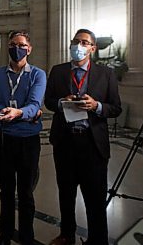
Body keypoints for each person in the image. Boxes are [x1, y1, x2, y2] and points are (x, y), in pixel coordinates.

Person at [45, 28, 121, 245]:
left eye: (84, 42)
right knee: (66, 195)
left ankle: (98, 240)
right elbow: (49, 100)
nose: (79, 46)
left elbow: (115, 108)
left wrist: (96, 106)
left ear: (93, 48)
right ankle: (66, 235)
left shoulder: (106, 74)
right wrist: (61, 102)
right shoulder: (58, 71)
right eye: (76, 41)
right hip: (65, 142)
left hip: (92, 144)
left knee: (95, 199)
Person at [0, 31, 46, 245]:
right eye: (12, 44)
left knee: (26, 192)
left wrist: (17, 113)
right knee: (6, 190)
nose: (16, 48)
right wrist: (6, 110)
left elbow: (35, 104)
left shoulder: (38, 74)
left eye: (20, 44)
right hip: (3, 139)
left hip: (28, 140)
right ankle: (5, 234)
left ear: (29, 48)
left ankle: (27, 236)